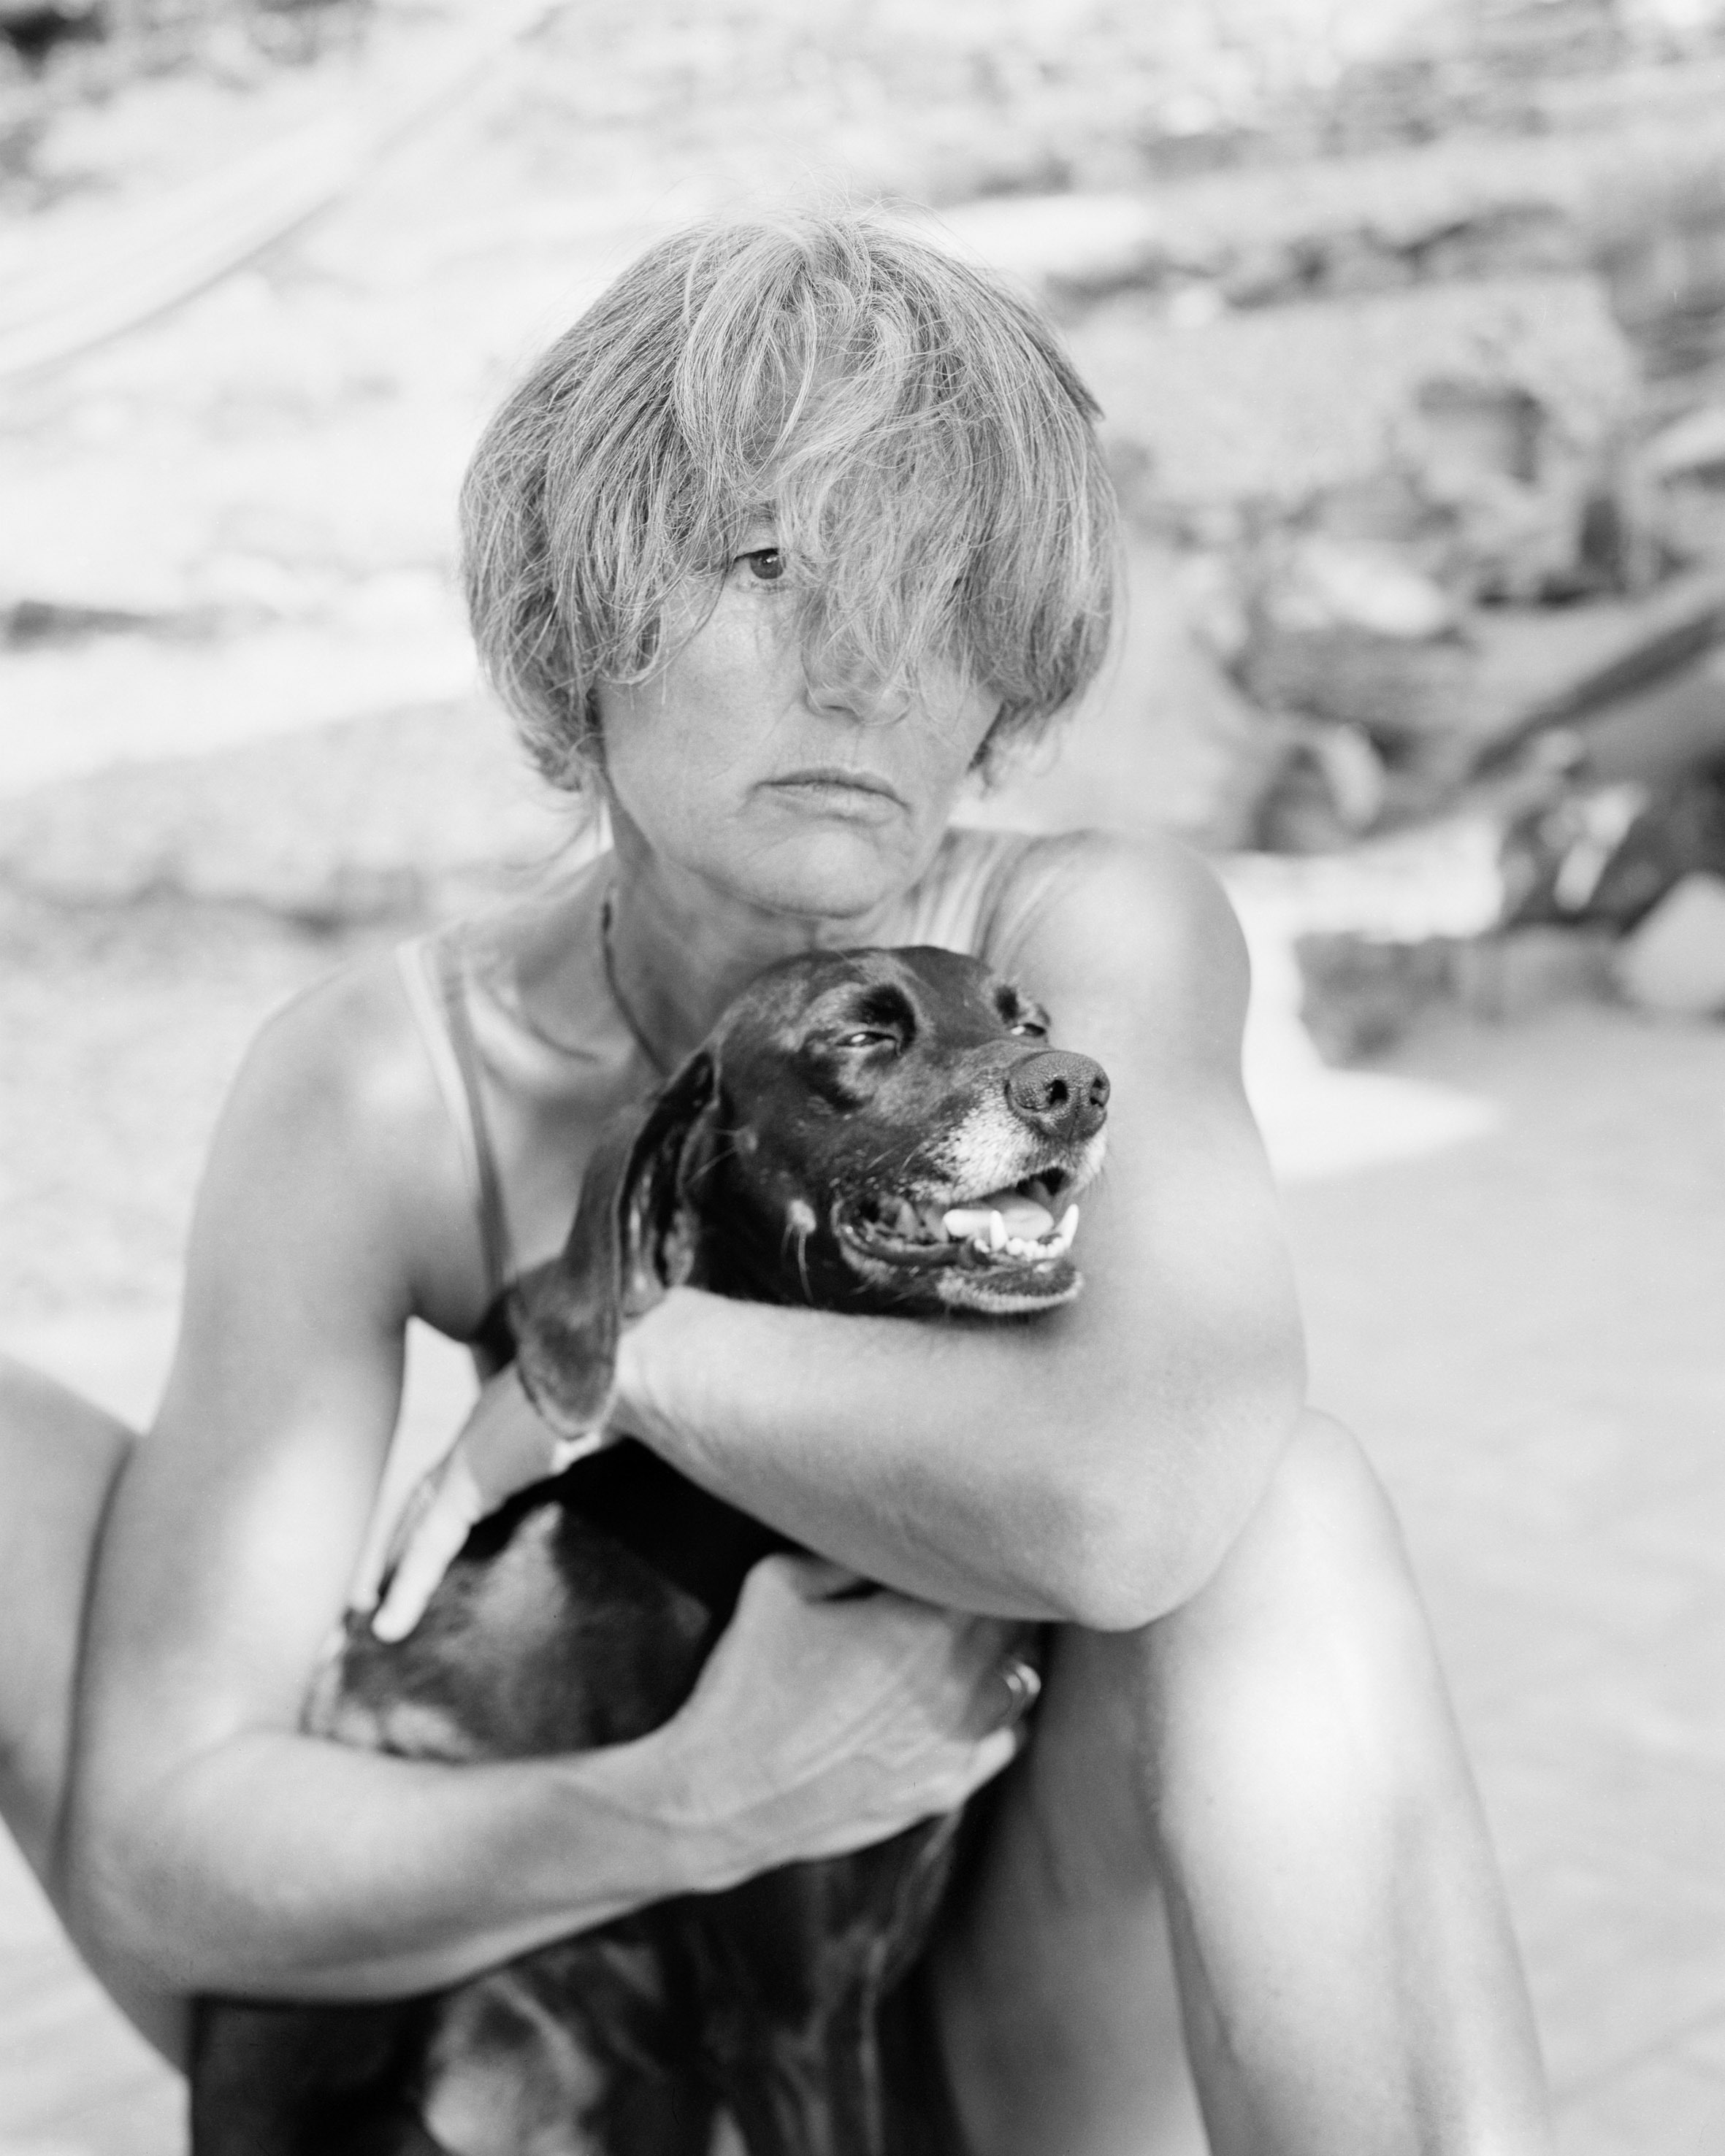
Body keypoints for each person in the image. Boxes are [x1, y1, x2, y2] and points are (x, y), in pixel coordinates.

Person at [0, 210, 1553, 2154]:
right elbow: (162, 1858)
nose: (865, 666)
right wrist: (690, 1803)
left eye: (944, 589)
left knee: (1283, 1510)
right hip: (550, 1988)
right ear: (576, 622)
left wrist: (613, 1353)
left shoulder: (1081, 935)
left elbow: (1137, 1504)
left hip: (960, 2040)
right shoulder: (384, 1084)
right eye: (768, 562)